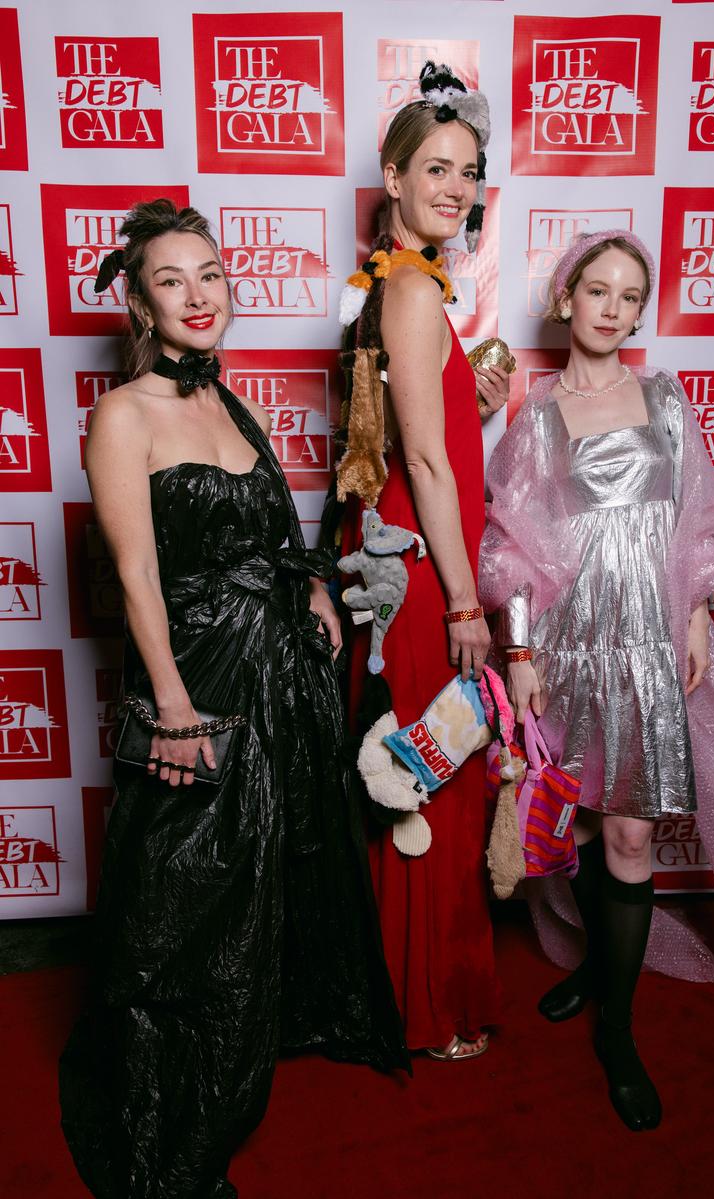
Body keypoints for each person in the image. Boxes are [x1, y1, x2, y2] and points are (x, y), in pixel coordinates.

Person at [59, 199, 407, 1199]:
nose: (197, 295)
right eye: (171, 280)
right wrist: (172, 708)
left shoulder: (229, 400)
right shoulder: (124, 414)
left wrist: (310, 588)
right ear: (140, 303)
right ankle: (171, 1105)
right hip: (199, 677)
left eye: (209, 274)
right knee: (181, 896)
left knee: (264, 873)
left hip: (276, 678)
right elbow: (136, 575)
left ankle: (259, 1035)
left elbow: (266, 530)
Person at [479, 228, 714, 1131]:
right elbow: (509, 549)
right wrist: (520, 653)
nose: (612, 309)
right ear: (567, 298)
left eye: (629, 297)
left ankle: (617, 1031)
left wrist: (693, 613)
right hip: (569, 648)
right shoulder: (537, 416)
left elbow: (701, 514)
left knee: (630, 835)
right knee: (576, 822)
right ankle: (595, 964)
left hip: (648, 647)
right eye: (598, 291)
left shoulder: (665, 398)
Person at [331, 63, 508, 1061]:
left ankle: (410, 991)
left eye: (468, 171)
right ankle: (427, 1006)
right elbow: (427, 463)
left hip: (408, 552)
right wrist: (464, 602)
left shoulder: (401, 282)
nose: (455, 187)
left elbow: (410, 436)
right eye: (435, 167)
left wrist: (464, 397)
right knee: (428, 776)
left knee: (417, 766)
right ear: (393, 178)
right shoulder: (406, 286)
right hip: (426, 571)